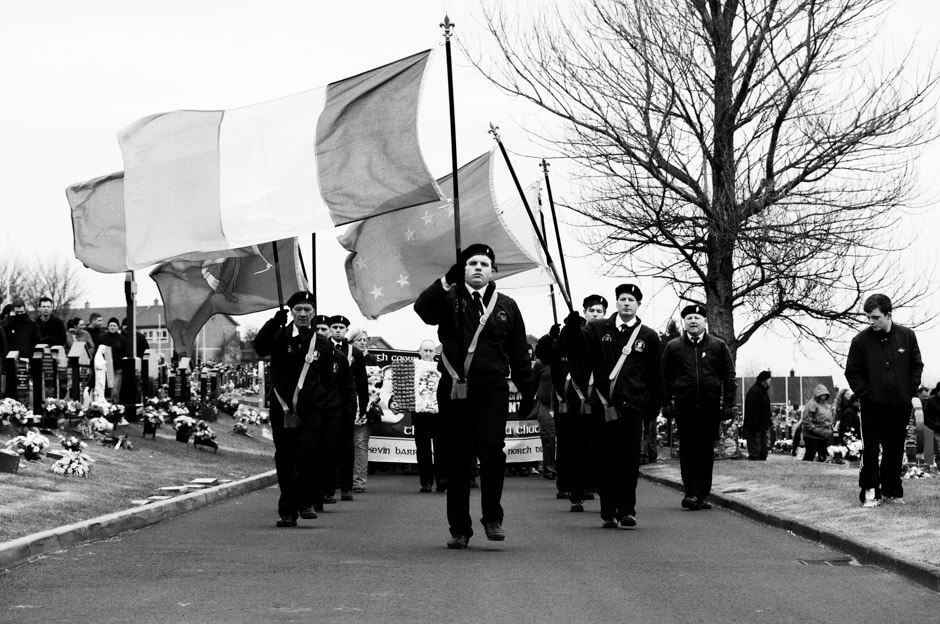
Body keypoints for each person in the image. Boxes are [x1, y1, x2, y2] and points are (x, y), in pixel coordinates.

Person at [414, 243, 533, 549]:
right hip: (454, 387)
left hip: (491, 387)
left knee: (493, 451)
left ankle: (492, 517)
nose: (478, 268)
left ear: (493, 270)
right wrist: (444, 282)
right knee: (457, 458)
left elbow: (519, 352)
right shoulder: (449, 297)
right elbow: (423, 311)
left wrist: (527, 389)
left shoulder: (507, 305)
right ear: (463, 269)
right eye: (472, 263)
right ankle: (459, 528)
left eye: (484, 263)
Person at [565, 283, 662, 529]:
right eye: (622, 299)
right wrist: (572, 326)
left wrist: (652, 408)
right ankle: (608, 510)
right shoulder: (598, 329)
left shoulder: (648, 335)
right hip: (603, 406)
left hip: (633, 406)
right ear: (616, 302)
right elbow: (573, 348)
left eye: (631, 299)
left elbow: (655, 375)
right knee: (604, 457)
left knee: (628, 459)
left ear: (638, 304)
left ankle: (627, 509)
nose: (626, 303)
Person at [251, 292, 334, 527]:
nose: (303, 314)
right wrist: (273, 323)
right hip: (283, 409)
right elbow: (259, 348)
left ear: (314, 313)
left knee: (308, 454)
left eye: (308, 309)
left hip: (311, 411)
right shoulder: (279, 336)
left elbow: (327, 382)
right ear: (292, 312)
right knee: (286, 457)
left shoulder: (321, 344)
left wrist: (322, 406)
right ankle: (287, 510)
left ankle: (306, 500)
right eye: (298, 309)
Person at [845, 293, 924, 507]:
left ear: (889, 315)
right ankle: (870, 491)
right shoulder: (860, 341)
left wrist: (909, 390)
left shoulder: (907, 336)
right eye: (868, 318)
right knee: (870, 449)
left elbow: (916, 365)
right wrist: (866, 394)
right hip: (872, 406)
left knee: (895, 449)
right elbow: (852, 371)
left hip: (900, 404)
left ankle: (891, 491)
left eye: (875, 317)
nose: (871, 322)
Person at [661, 304, 736, 511]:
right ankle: (691, 493)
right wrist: (666, 404)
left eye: (697, 317)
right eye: (689, 318)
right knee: (688, 450)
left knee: (705, 451)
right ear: (684, 322)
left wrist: (728, 404)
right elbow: (665, 378)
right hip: (684, 407)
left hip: (709, 407)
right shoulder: (673, 347)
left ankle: (703, 493)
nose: (693, 321)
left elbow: (729, 377)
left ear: (705, 322)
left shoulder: (718, 346)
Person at [557, 294, 608, 511]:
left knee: (597, 446)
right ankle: (575, 491)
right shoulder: (579, 333)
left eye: (599, 311)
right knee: (576, 445)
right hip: (578, 397)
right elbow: (562, 348)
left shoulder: (609, 333)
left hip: (601, 396)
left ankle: (592, 485)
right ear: (585, 312)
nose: (595, 314)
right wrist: (569, 325)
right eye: (591, 311)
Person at [327, 314, 368, 501]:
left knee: (346, 445)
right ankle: (329, 486)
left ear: (345, 331)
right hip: (327, 402)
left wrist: (364, 405)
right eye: (334, 327)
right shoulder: (322, 348)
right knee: (329, 445)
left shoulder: (355, 353)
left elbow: (361, 382)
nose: (337, 330)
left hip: (347, 403)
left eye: (341, 328)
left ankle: (346, 487)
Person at [413, 338, 447, 493]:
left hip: (439, 416)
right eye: (425, 350)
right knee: (423, 450)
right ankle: (426, 482)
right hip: (420, 416)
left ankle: (442, 481)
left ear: (435, 353)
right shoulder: (413, 368)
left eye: (430, 351)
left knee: (441, 450)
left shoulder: (443, 368)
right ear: (419, 352)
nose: (427, 353)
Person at [348, 327, 375, 494]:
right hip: (347, 405)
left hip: (365, 408)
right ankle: (340, 480)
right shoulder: (346, 357)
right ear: (352, 342)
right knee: (344, 444)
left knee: (360, 444)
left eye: (365, 340)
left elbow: (377, 385)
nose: (363, 343)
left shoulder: (372, 360)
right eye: (359, 340)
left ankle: (359, 482)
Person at [531, 334, 557, 480]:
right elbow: (533, 385)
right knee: (548, 436)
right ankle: (549, 468)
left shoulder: (564, 360)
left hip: (562, 404)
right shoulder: (540, 364)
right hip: (544, 404)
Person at [743, 371, 772, 460]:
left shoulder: (763, 392)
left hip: (762, 428)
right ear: (765, 380)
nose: (770, 381)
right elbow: (752, 412)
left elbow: (765, 410)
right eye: (769, 379)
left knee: (763, 452)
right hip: (754, 428)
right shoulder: (754, 392)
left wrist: (768, 423)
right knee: (755, 453)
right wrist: (754, 428)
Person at [97, 317, 128, 401]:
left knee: (115, 390)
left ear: (118, 327)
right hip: (106, 368)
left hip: (118, 369)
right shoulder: (102, 339)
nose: (112, 327)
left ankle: (115, 406)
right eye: (110, 325)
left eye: (114, 325)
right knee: (103, 390)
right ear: (108, 327)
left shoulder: (122, 339)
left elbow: (126, 353)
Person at [800, 384, 833, 462]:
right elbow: (806, 420)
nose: (824, 396)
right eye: (822, 394)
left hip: (823, 435)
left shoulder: (826, 405)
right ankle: (804, 470)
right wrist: (816, 430)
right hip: (812, 436)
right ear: (817, 394)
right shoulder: (811, 404)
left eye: (825, 394)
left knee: (824, 456)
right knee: (810, 455)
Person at [923, 383, 940, 471]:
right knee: (938, 448)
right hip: (935, 428)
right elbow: (926, 416)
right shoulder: (931, 401)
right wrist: (933, 425)